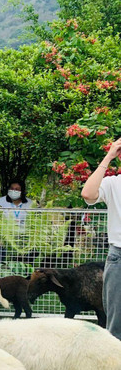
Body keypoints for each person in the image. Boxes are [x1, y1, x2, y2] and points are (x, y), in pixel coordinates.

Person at [81, 138, 121, 354]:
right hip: (119, 256)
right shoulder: (114, 183)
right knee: (117, 321)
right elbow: (88, 194)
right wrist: (109, 156)